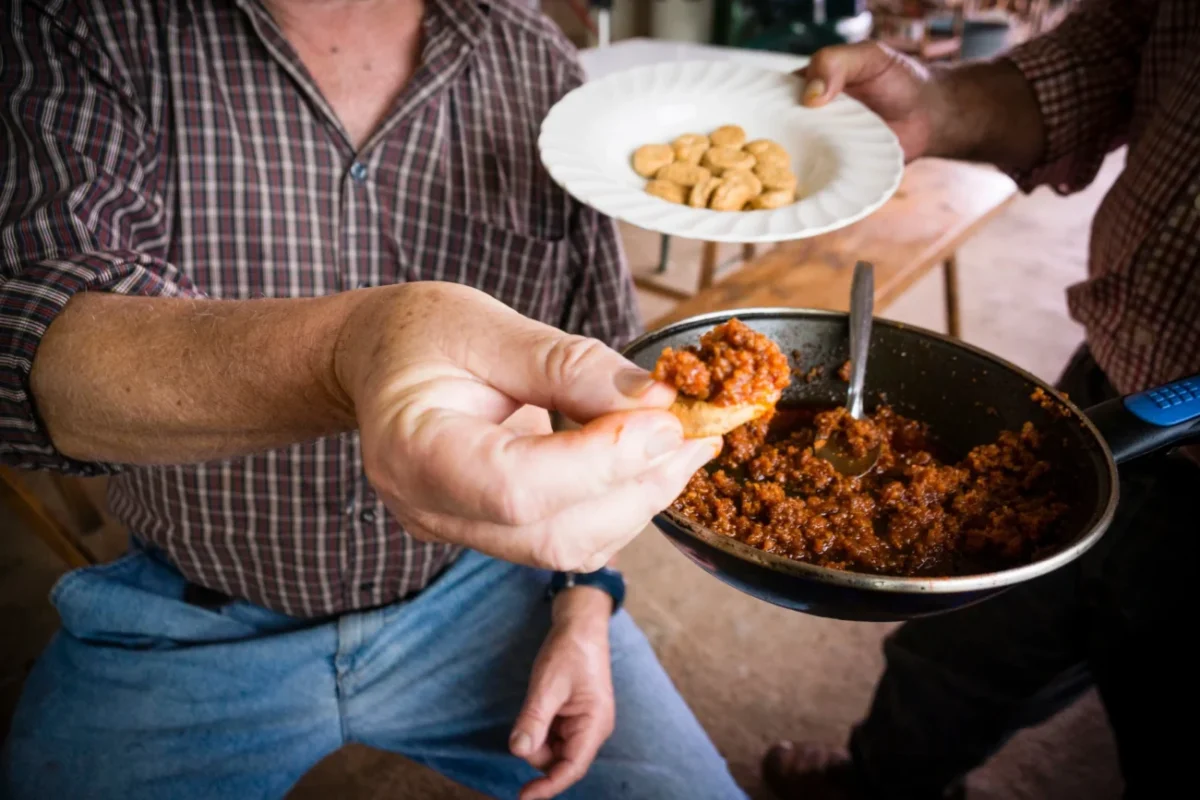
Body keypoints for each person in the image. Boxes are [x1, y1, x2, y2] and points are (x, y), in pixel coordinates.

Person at [0, 1, 743, 798]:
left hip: (484, 592)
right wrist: (349, 352)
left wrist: (584, 605)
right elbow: (33, 347)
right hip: (195, 616)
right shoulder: (85, 24)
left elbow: (607, 371)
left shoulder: (536, 60)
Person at [762, 2, 1198, 798]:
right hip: (1114, 382)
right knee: (954, 655)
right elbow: (1119, 48)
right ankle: (879, 783)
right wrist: (937, 102)